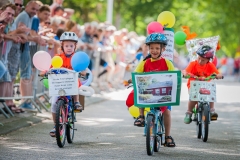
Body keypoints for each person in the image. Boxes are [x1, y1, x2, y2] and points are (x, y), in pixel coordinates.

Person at [125, 33, 176, 147]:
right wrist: (131, 80)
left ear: (163, 49)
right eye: (151, 48)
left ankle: (167, 136)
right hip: (149, 92)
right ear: (148, 48)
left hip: (162, 93)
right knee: (140, 91)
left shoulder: (167, 62)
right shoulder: (145, 62)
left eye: (157, 48)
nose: (154, 50)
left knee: (167, 112)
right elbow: (137, 74)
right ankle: (141, 116)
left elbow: (173, 75)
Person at [42, 31, 83, 137]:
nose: (69, 48)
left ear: (75, 46)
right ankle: (56, 125)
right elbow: (51, 67)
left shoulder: (76, 58)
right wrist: (46, 71)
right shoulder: (58, 57)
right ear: (62, 46)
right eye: (66, 46)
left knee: (75, 86)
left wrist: (82, 71)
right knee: (54, 103)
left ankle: (77, 101)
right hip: (59, 84)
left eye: (71, 46)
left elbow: (82, 67)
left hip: (71, 83)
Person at [182, 45, 223, 124]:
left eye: (203, 60)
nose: (200, 61)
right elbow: (186, 71)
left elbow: (217, 73)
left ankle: (211, 110)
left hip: (205, 86)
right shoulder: (193, 64)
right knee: (194, 97)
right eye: (199, 58)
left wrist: (218, 75)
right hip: (194, 85)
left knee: (211, 93)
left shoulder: (210, 65)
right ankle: (189, 113)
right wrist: (185, 73)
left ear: (208, 60)